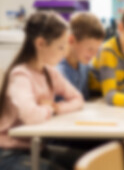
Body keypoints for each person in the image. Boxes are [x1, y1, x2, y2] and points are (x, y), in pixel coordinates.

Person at [0, 11, 84, 170]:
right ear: (40, 44)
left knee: (89, 161)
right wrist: (49, 108)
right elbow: (31, 116)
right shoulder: (20, 75)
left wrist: (58, 108)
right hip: (8, 152)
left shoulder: (49, 72)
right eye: (60, 46)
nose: (65, 52)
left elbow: (77, 98)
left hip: (35, 147)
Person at [58, 12, 105, 100]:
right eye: (90, 49)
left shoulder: (84, 64)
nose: (94, 55)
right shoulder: (58, 72)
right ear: (71, 40)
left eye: (97, 50)